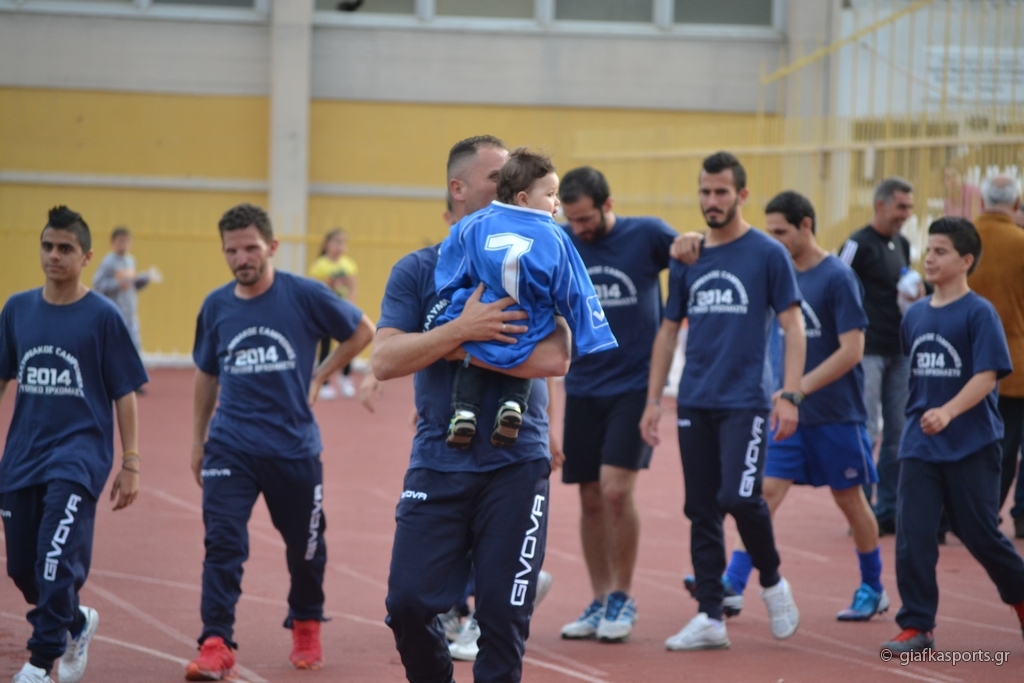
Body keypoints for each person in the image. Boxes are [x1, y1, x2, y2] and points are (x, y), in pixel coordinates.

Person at [375, 135, 571, 683]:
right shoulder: (417, 270)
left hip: (516, 464)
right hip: (438, 461)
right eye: (498, 179)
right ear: (458, 190)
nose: (513, 187)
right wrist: (461, 330)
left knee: (503, 622)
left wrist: (457, 346)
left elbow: (556, 358)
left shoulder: (540, 258)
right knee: (407, 603)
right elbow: (385, 360)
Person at [186, 203, 375, 680]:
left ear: (271, 246)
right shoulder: (216, 306)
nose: (241, 258)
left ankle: (306, 622)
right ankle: (215, 642)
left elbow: (362, 331)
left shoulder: (304, 294)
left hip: (292, 446)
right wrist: (198, 440)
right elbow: (206, 374)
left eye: (251, 248)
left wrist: (321, 374)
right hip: (230, 445)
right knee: (223, 542)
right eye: (232, 251)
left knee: (306, 548)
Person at [640, 152, 805, 651]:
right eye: (705, 192)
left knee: (739, 498)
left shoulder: (768, 254)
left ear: (741, 195)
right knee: (701, 508)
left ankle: (772, 582)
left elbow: (794, 326)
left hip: (745, 400)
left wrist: (790, 395)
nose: (711, 201)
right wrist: (653, 400)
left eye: (721, 192)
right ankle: (710, 616)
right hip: (695, 400)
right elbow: (668, 332)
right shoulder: (687, 256)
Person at [708, 191, 886, 622]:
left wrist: (796, 389)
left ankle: (873, 586)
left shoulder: (837, 277)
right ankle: (733, 582)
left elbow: (852, 351)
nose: (774, 240)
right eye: (768, 232)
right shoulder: (776, 273)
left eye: (781, 232)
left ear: (806, 225)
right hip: (786, 414)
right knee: (763, 494)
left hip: (836, 414)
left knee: (850, 500)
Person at [1, 206, 148, 683]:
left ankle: (40, 662)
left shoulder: (102, 317)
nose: (54, 255)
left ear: (86, 257)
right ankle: (76, 622)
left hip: (78, 458)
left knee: (54, 559)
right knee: (23, 569)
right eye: (47, 246)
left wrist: (131, 461)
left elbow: (124, 392)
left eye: (65, 248)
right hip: (22, 458)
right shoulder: (17, 309)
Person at [881, 217, 1024, 653]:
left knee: (980, 535)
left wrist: (948, 411)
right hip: (920, 446)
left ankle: (1020, 596)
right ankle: (917, 625)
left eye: (940, 251)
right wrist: (923, 417)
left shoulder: (979, 313)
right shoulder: (916, 314)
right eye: (928, 250)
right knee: (913, 535)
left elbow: (987, 375)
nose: (929, 258)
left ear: (966, 260)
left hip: (972, 444)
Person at [554, 166, 678, 643]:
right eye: (571, 219)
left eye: (585, 219)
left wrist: (690, 242)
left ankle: (623, 596)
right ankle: (600, 597)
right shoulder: (563, 241)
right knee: (588, 496)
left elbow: (695, 259)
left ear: (608, 205)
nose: (578, 228)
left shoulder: (647, 235)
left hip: (633, 386)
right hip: (583, 386)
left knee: (614, 491)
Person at [435, 148, 616, 449]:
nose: (557, 203)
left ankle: (464, 412)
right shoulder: (554, 235)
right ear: (523, 198)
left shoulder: (476, 222)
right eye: (551, 194)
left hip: (481, 314)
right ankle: (513, 406)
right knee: (524, 356)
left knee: (471, 355)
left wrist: (451, 291)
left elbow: (452, 257)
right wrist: (593, 334)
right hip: (527, 319)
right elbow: (574, 287)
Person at [839, 177, 920, 535]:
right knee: (867, 429)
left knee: (898, 433)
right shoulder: (857, 244)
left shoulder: (902, 243)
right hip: (866, 351)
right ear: (880, 205)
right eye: (901, 206)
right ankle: (862, 511)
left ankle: (890, 510)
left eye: (909, 207)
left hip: (899, 351)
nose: (906, 214)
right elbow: (835, 284)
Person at [967, 176, 1024, 538]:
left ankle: (953, 516)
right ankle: (1010, 514)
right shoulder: (1020, 243)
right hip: (1013, 363)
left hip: (961, 359)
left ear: (982, 200)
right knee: (1007, 445)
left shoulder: (962, 239)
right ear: (1016, 203)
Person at [91, 226, 161, 357]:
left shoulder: (131, 261)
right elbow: (98, 284)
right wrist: (118, 283)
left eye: (126, 241)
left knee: (134, 349)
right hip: (115, 313)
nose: (123, 244)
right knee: (114, 349)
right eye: (120, 241)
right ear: (113, 243)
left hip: (130, 313)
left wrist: (143, 280)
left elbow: (132, 286)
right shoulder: (108, 262)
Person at [307, 229, 359, 399]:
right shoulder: (320, 265)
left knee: (350, 343)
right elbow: (316, 291)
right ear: (326, 244)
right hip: (326, 312)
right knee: (325, 346)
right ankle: (324, 382)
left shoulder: (348, 265)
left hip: (344, 310)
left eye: (343, 243)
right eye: (336, 242)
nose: (340, 246)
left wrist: (350, 306)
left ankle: (345, 378)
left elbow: (353, 287)